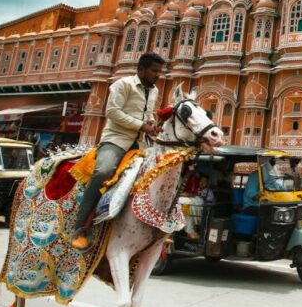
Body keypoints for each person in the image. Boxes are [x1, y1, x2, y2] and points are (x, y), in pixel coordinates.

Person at [70, 52, 165, 249]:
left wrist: (152, 126)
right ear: (141, 69)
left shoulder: (154, 91)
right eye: (154, 71)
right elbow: (112, 112)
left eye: (159, 72)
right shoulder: (123, 85)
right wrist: (140, 125)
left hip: (140, 144)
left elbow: (147, 116)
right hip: (116, 140)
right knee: (103, 171)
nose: (158, 75)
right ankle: (79, 227)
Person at [178, 174, 214, 240]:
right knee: (186, 207)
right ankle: (188, 230)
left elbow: (208, 201)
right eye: (201, 181)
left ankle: (190, 231)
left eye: (204, 182)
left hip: (202, 207)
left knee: (190, 203)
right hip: (191, 206)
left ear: (208, 183)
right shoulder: (197, 189)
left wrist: (191, 196)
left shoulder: (209, 191)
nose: (202, 183)